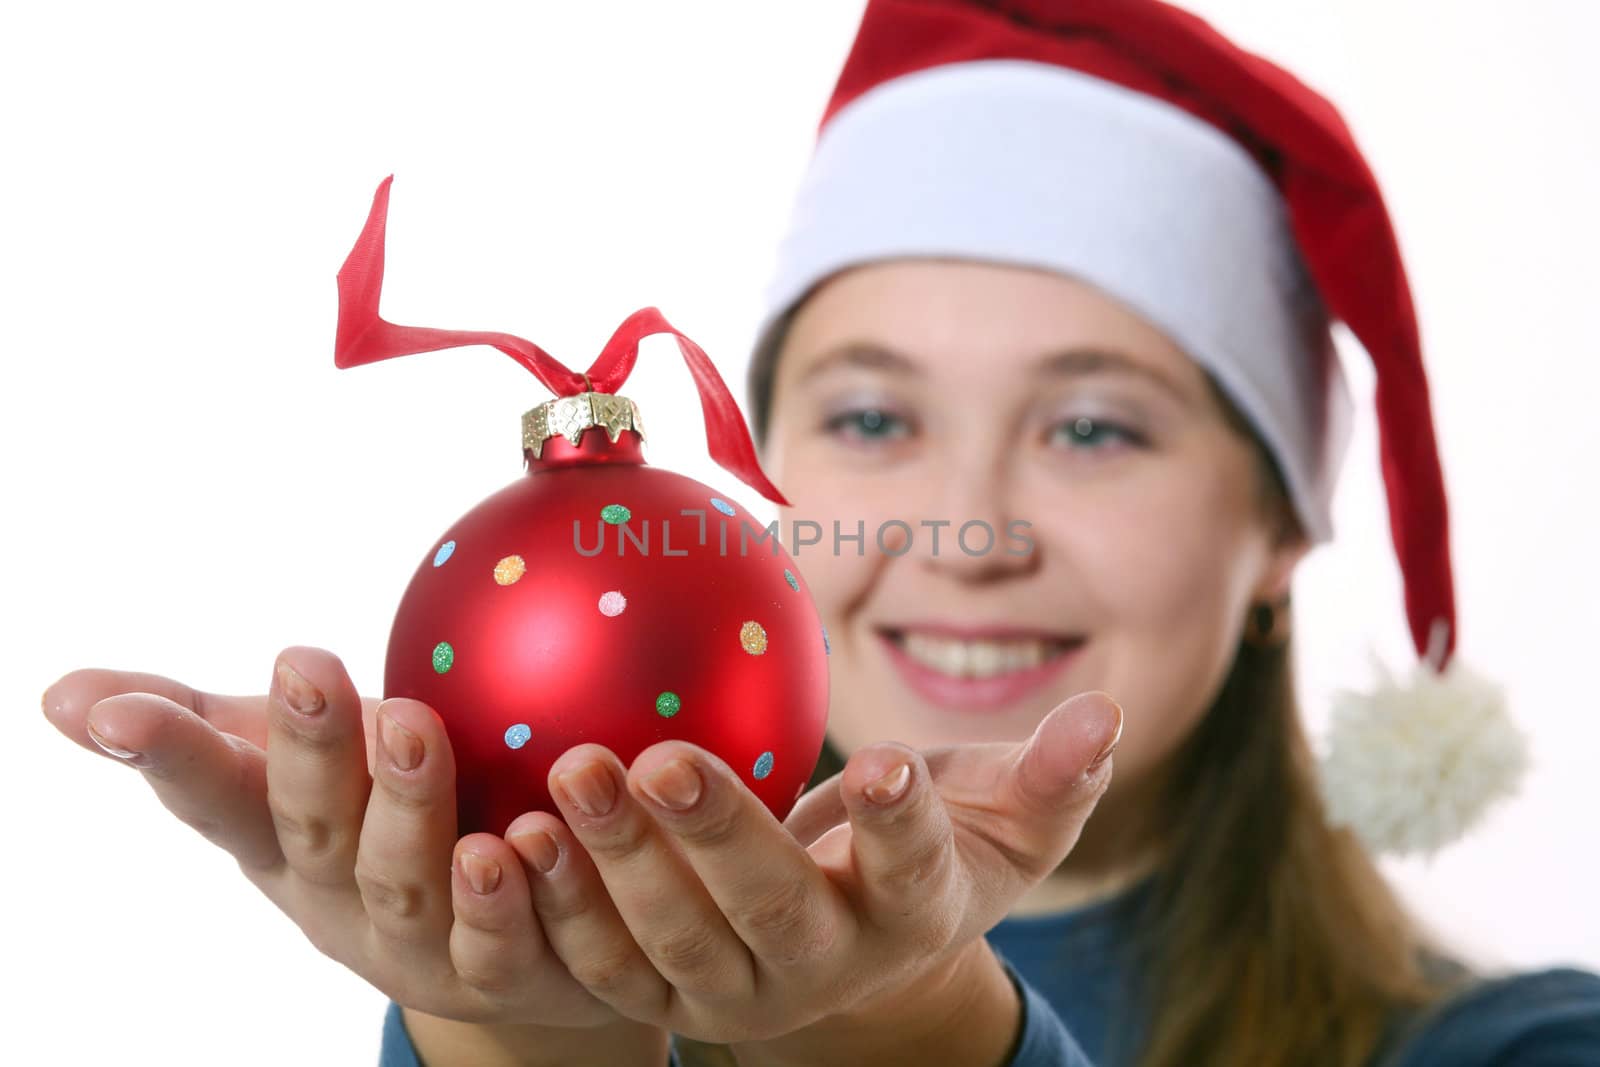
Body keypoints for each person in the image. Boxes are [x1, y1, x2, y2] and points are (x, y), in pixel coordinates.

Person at [41, 1, 1600, 1065]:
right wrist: (526, 1039)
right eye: (870, 420)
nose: (967, 534)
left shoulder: (1526, 1049)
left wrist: (916, 1034)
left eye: (1093, 426)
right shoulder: (498, 991)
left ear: (1277, 536)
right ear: (757, 473)